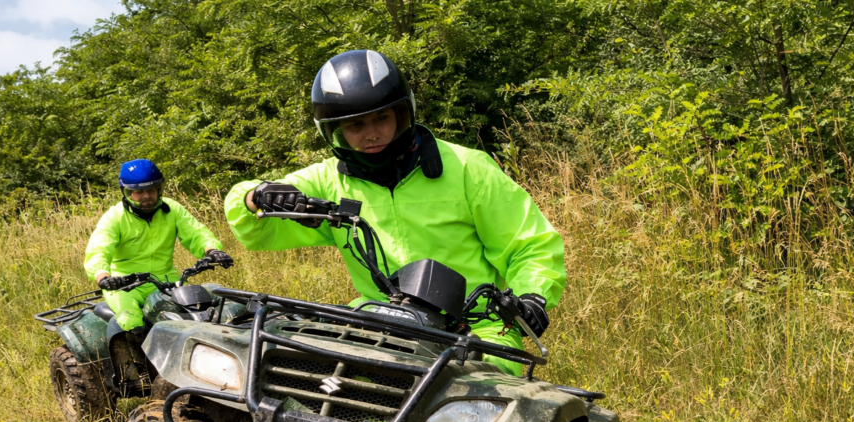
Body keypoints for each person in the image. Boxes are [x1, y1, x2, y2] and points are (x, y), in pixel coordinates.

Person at [223, 50, 563, 375]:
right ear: (333, 130)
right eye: (355, 125)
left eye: (381, 118)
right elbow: (256, 228)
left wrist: (532, 295)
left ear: (403, 113)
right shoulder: (327, 181)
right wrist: (256, 196)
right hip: (374, 321)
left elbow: (529, 245)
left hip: (477, 328)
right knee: (290, 368)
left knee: (488, 397)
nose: (371, 134)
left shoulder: (467, 168)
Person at [84, 159, 233, 377]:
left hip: (165, 280)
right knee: (130, 319)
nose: (146, 196)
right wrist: (103, 276)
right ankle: (143, 372)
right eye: (138, 192)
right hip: (124, 284)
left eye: (151, 190)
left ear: (159, 189)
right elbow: (99, 248)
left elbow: (195, 233)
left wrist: (212, 250)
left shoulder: (172, 209)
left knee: (200, 308)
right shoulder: (115, 217)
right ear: (126, 192)